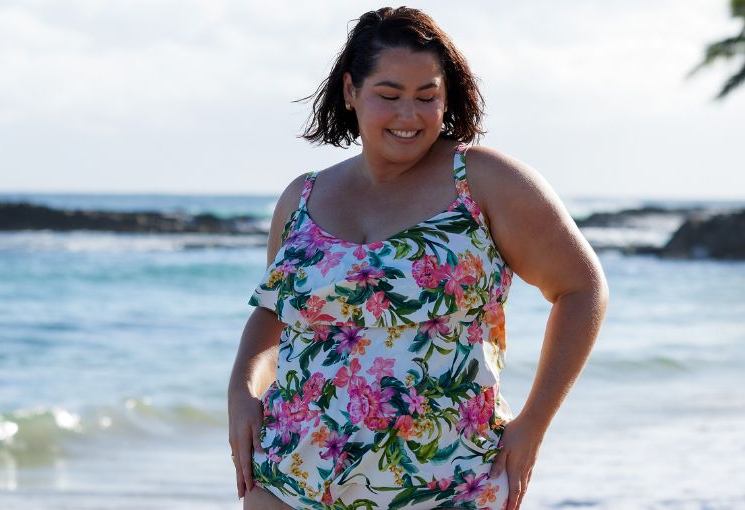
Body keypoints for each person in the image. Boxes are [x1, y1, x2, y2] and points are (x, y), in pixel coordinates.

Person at [226, 7, 609, 510]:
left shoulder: (483, 181)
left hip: (449, 482)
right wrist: (240, 390)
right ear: (350, 91)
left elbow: (582, 290)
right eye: (389, 95)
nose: (409, 116)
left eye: (427, 97)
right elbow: (275, 311)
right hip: (292, 479)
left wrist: (532, 425)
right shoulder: (302, 197)